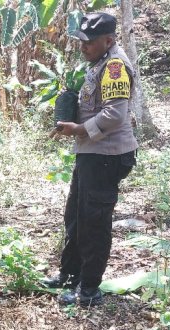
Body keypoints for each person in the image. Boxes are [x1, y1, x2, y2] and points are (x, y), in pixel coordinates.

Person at [43, 13, 138, 307]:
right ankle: (70, 275)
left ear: (108, 40)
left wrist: (80, 129)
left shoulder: (114, 67)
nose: (83, 47)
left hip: (106, 157)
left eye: (90, 42)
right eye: (81, 42)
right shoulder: (98, 63)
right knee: (75, 217)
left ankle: (89, 289)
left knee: (94, 223)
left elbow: (114, 114)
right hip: (91, 154)